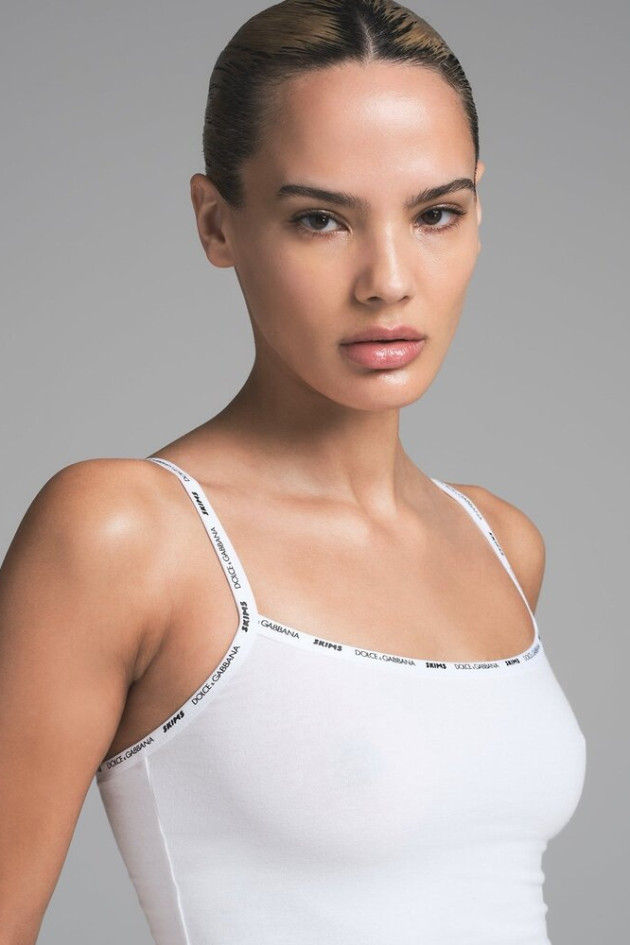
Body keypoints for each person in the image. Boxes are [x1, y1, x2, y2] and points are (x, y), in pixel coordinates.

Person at [0, 1, 587, 943]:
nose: (387, 279)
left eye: (435, 213)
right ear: (216, 223)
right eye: (320, 219)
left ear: (479, 211)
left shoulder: (500, 542)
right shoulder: (126, 533)